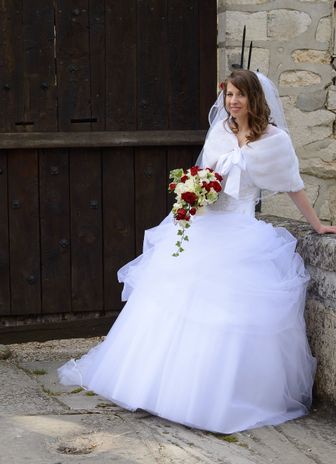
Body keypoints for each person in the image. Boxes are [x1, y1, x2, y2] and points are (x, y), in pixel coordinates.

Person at [58, 69, 336, 434]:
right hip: (205, 228)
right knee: (172, 306)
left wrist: (317, 225)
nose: (232, 102)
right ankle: (157, 388)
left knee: (228, 317)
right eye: (228, 94)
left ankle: (218, 398)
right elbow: (202, 174)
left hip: (241, 232)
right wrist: (191, 197)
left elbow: (293, 186)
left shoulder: (275, 140)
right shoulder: (220, 131)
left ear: (255, 98)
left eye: (239, 95)